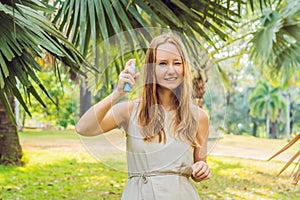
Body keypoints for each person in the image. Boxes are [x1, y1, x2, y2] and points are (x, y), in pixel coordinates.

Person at [76, 33, 211, 199]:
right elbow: (83, 128)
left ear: (184, 68)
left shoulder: (199, 117)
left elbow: (199, 165)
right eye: (162, 63)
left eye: (177, 63)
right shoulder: (130, 110)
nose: (171, 70)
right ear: (151, 69)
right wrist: (117, 93)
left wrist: (202, 169)